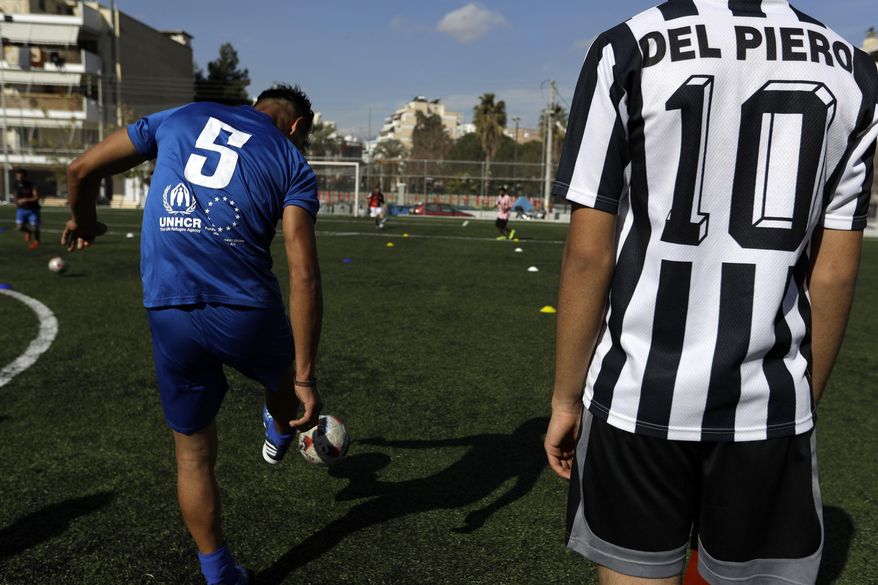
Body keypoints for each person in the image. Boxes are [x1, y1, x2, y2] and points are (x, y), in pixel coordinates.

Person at [544, 2, 877, 584]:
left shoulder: (628, 46)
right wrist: (799, 400)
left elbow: (588, 254)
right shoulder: (853, 70)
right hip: (766, 403)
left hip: (638, 393)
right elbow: (835, 273)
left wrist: (565, 399)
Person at [63, 83, 325, 585]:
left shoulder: (182, 116)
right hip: (246, 311)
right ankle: (278, 421)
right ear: (295, 127)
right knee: (285, 380)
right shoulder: (292, 163)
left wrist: (85, 219)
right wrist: (307, 378)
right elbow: (304, 274)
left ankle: (218, 572)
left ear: (257, 109)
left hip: (169, 308)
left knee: (193, 453)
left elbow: (80, 169)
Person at [14, 169, 41, 249]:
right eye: (17, 176)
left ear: (25, 176)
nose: (19, 178)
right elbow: (16, 197)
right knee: (20, 227)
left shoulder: (32, 185)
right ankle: (28, 232)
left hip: (33, 209)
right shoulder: (16, 185)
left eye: (21, 176)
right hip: (21, 209)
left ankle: (36, 241)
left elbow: (36, 197)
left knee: (35, 227)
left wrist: (25, 200)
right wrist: (17, 201)